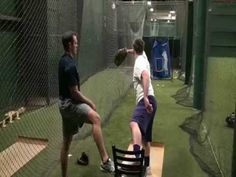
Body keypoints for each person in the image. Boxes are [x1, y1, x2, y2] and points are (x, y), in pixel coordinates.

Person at [58, 31, 114, 177]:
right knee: (96, 118)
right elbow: (75, 92)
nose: (77, 45)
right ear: (69, 45)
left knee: (66, 142)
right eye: (75, 43)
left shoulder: (63, 60)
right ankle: (105, 161)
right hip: (70, 105)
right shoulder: (69, 65)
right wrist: (90, 102)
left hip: (63, 105)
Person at [127, 39, 157, 175]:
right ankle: (147, 168)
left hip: (146, 100)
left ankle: (137, 158)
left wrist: (145, 98)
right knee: (145, 139)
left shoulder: (139, 62)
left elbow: (145, 76)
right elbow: (137, 50)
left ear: (135, 49)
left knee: (134, 124)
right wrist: (126, 51)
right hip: (153, 101)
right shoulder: (143, 56)